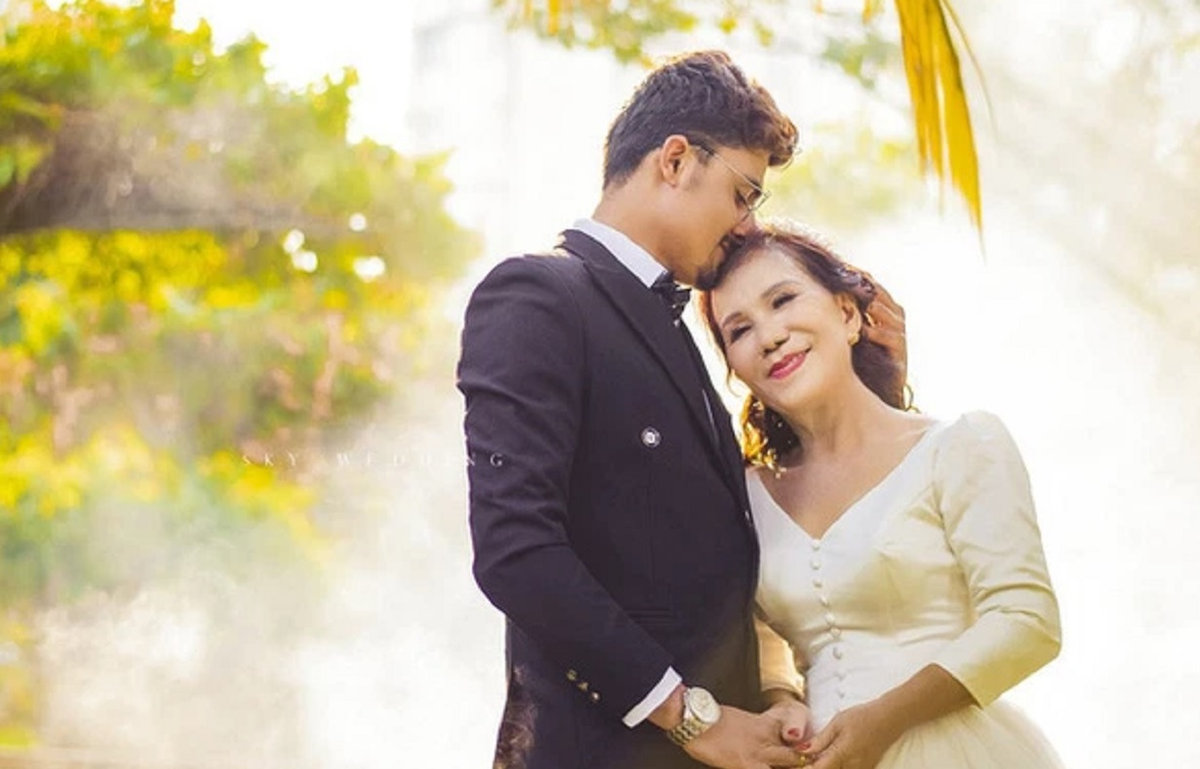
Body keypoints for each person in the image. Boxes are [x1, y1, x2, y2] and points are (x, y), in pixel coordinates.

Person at [458, 51, 906, 769]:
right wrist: (690, 717)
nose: (748, 225)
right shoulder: (539, 296)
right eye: (742, 193)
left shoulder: (676, 328)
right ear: (675, 160)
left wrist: (776, 692)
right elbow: (516, 550)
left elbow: (723, 563)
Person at [699, 222, 1065, 769]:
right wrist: (781, 696)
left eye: (783, 300)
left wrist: (886, 718)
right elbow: (757, 630)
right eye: (740, 330)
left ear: (848, 314)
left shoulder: (959, 446)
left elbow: (1027, 621)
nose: (770, 336)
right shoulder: (747, 495)